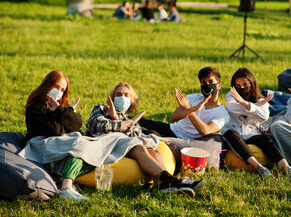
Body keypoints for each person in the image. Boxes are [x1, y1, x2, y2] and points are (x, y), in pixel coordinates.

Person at [85, 82, 205, 197]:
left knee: (156, 152)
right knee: (138, 147)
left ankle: (161, 185)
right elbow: (96, 125)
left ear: (132, 100)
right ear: (112, 97)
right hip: (103, 144)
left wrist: (122, 121)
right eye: (118, 94)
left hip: (122, 147)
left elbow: (135, 135)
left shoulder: (132, 120)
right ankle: (172, 181)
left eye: (126, 95)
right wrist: (120, 122)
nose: (122, 97)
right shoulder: (101, 108)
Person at [24, 70, 91, 201]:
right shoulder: (35, 107)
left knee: (90, 152)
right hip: (40, 145)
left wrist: (63, 111)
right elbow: (56, 130)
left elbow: (77, 125)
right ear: (47, 84)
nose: (59, 91)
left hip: (58, 144)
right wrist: (65, 117)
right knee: (79, 143)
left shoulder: (59, 105)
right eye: (56, 86)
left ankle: (63, 182)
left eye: (62, 89)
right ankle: (66, 187)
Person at [222, 68, 291, 178]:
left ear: (252, 84)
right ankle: (259, 167)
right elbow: (232, 107)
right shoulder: (231, 96)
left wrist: (244, 103)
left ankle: (286, 168)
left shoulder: (260, 99)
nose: (242, 88)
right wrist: (254, 107)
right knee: (230, 134)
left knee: (266, 140)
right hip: (236, 132)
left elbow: (263, 115)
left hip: (252, 133)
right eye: (238, 86)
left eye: (245, 84)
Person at [139, 67, 229, 141]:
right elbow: (174, 117)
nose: (207, 85)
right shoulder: (193, 98)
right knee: (139, 122)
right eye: (203, 83)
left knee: (151, 135)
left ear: (219, 85)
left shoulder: (222, 114)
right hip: (173, 129)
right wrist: (191, 109)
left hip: (186, 141)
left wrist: (189, 109)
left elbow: (206, 131)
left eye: (210, 82)